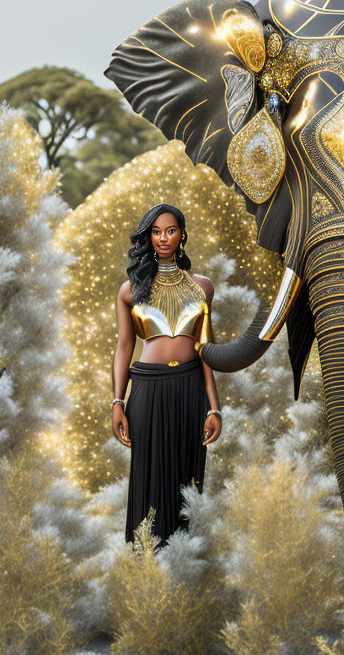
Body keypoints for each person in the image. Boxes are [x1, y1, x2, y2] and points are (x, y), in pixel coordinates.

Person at [111, 203, 221, 545]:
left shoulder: (203, 287)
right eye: (156, 232)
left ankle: (182, 567)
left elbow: (207, 351)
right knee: (148, 477)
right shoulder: (130, 290)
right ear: (148, 237)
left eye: (170, 230)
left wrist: (214, 407)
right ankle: (145, 569)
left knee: (185, 484)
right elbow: (124, 348)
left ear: (182, 235)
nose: (163, 238)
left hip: (191, 389)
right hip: (146, 390)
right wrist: (117, 402)